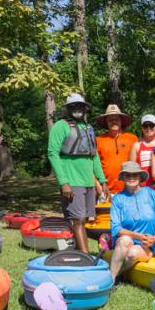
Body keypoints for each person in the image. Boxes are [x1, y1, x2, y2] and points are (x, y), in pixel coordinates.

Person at [46, 93, 108, 254]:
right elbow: (53, 153)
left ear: (85, 108)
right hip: (72, 181)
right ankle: (85, 257)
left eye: (80, 106)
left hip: (88, 181)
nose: (77, 109)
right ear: (68, 109)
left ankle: (78, 250)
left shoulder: (88, 128)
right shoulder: (60, 126)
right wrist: (63, 182)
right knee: (78, 219)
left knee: (85, 219)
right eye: (73, 106)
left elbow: (93, 155)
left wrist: (102, 180)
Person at [108, 161, 155, 280]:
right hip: (126, 241)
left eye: (135, 175)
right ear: (123, 178)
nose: (131, 178)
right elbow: (116, 228)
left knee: (131, 254)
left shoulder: (153, 194)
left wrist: (154, 239)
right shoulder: (118, 199)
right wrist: (138, 236)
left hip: (149, 244)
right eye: (128, 175)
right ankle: (111, 281)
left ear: (140, 177)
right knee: (124, 240)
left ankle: (113, 274)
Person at [95, 104, 138, 194]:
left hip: (129, 188)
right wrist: (97, 184)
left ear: (121, 121)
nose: (114, 122)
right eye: (110, 120)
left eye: (116, 119)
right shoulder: (98, 140)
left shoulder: (132, 139)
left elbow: (138, 163)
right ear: (106, 122)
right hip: (105, 189)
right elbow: (93, 164)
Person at [129, 114, 155, 187]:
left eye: (151, 125)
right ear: (142, 128)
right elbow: (131, 169)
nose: (148, 128)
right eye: (145, 126)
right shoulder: (136, 146)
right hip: (142, 187)